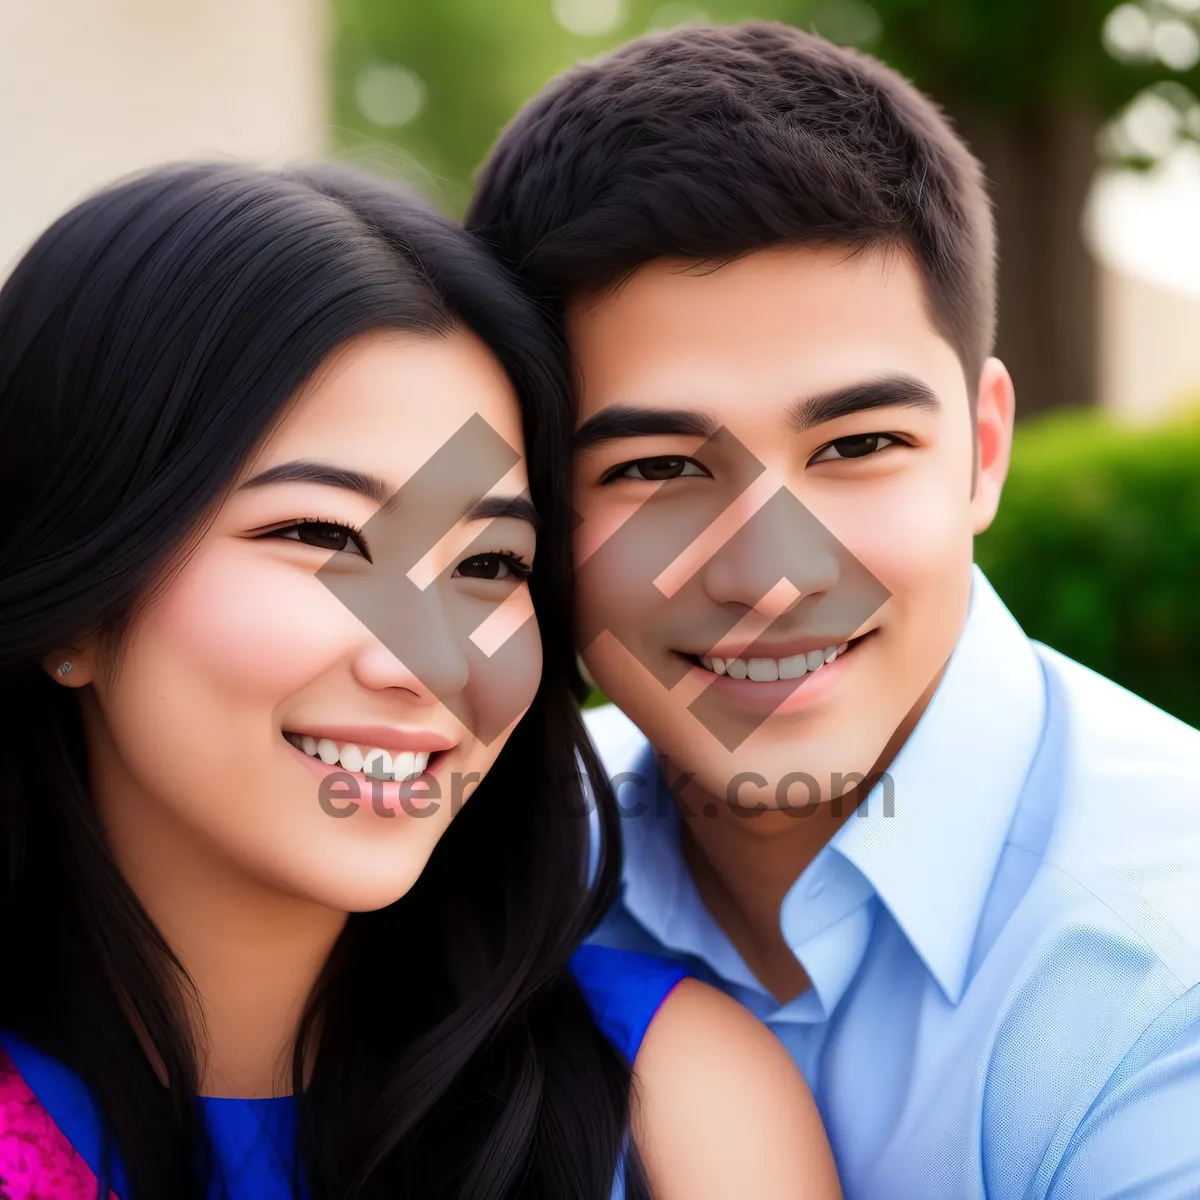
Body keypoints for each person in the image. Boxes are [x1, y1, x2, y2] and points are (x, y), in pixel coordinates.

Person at [0, 162, 840, 1199]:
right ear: (76, 596)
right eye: (321, 535)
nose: (427, 662)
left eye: (489, 567)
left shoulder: (671, 1110)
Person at [466, 20, 1200, 1200]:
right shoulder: (472, 870)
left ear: (984, 451)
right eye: (655, 468)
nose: (769, 575)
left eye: (858, 445)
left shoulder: (1168, 975)